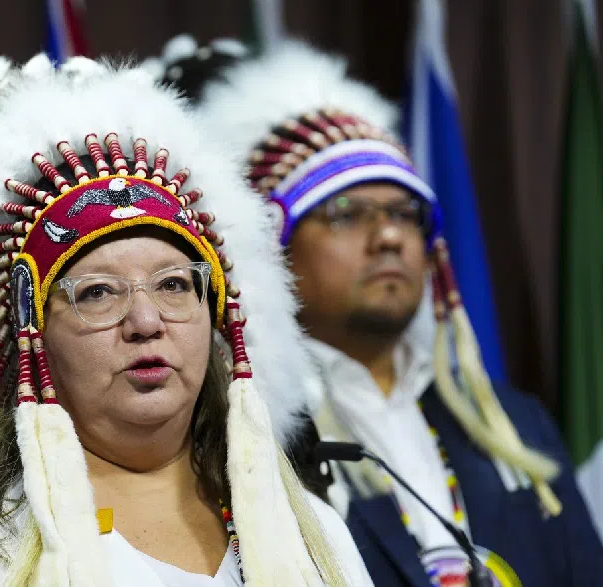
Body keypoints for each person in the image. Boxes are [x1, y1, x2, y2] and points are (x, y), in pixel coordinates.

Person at [0, 53, 373, 586]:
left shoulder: (308, 530)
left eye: (175, 285)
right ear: (33, 336)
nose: (146, 321)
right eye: (99, 293)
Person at [197, 39, 603, 586]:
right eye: (345, 213)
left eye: (404, 213)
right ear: (274, 250)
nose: (388, 235)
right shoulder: (246, 442)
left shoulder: (513, 424)